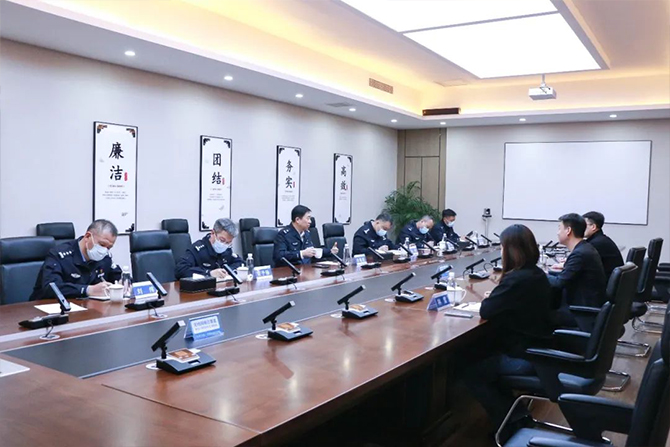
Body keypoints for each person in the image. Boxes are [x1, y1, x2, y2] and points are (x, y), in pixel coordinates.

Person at [463, 224, 554, 439]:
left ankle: (509, 426)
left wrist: (495, 296)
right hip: (539, 349)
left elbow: (487, 310)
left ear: (512, 251)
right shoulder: (536, 274)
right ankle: (517, 416)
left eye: (503, 247)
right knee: (479, 358)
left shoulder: (516, 279)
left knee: (471, 371)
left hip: (524, 356)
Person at [30, 219, 122, 301]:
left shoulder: (104, 257)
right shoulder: (59, 254)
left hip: (87, 307)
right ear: (87, 237)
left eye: (109, 247)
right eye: (102, 245)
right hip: (48, 307)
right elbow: (51, 288)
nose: (104, 250)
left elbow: (116, 277)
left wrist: (123, 284)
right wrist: (88, 290)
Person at [547, 213, 607, 325]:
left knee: (537, 313)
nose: (557, 233)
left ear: (568, 230)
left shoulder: (579, 254)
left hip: (581, 313)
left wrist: (541, 274)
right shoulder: (585, 248)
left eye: (559, 228)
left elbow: (559, 283)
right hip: (586, 306)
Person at [175, 218, 243, 279]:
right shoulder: (197, 249)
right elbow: (181, 270)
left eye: (228, 242)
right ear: (212, 233)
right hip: (201, 287)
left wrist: (228, 271)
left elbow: (240, 263)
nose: (224, 245)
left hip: (222, 286)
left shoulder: (227, 249)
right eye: (222, 240)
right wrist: (209, 273)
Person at [273, 205, 339, 266]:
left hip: (308, 270)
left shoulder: (306, 233)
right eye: (308, 218)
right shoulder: (283, 235)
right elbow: (279, 256)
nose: (310, 221)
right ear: (297, 220)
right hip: (290, 271)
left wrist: (330, 251)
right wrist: (302, 254)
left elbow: (313, 251)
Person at [583, 211, 624, 280]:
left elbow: (580, 265)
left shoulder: (596, 244)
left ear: (593, 227)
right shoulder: (602, 239)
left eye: (583, 225)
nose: (580, 228)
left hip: (602, 283)